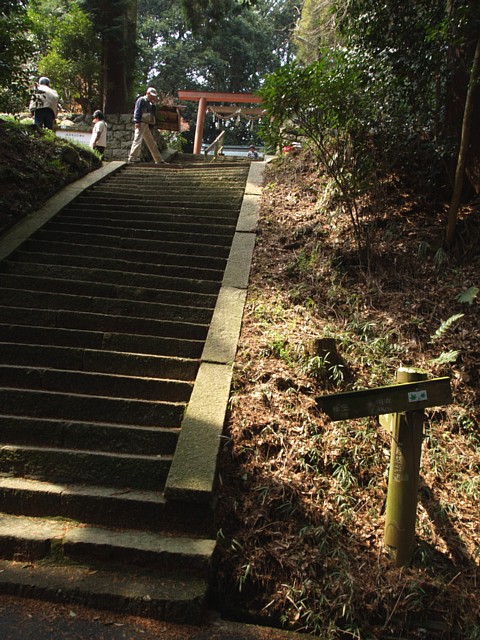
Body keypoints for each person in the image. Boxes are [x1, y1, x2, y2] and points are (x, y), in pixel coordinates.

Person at [128, 87, 165, 164]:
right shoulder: (141, 100)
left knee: (151, 142)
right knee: (137, 139)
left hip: (146, 123)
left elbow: (153, 114)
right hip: (141, 123)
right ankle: (132, 157)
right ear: (147, 93)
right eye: (152, 95)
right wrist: (137, 121)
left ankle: (158, 159)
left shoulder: (149, 103)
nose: (153, 97)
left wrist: (154, 105)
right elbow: (137, 110)